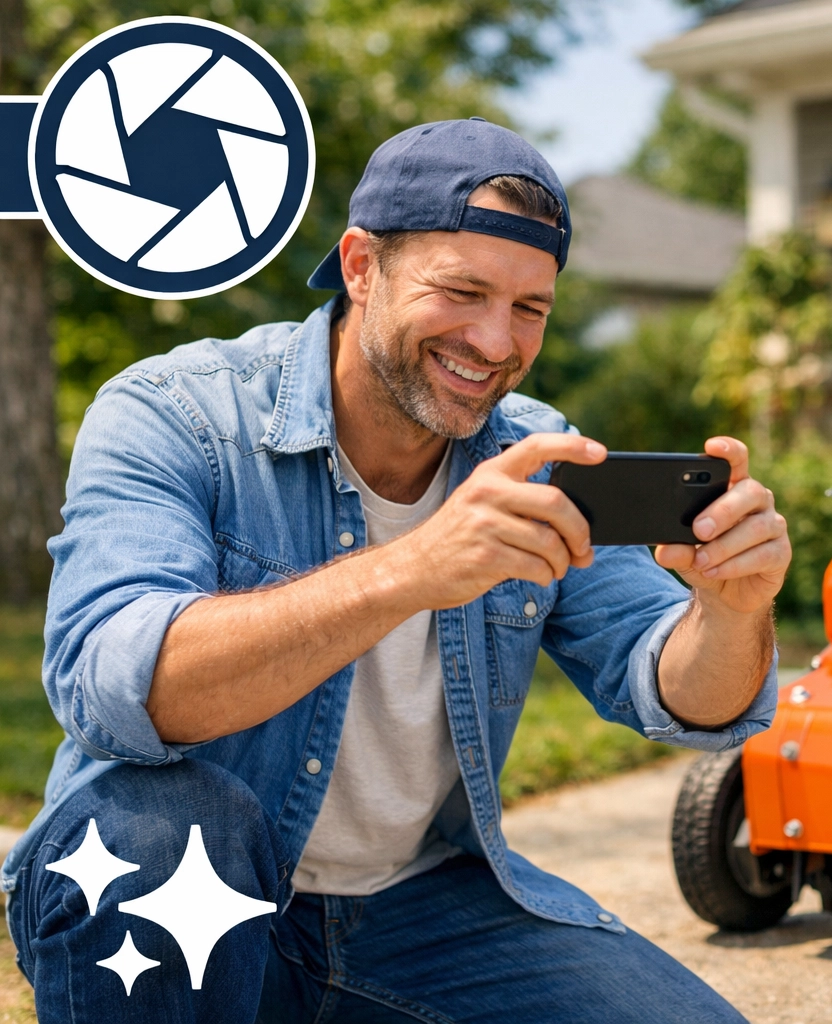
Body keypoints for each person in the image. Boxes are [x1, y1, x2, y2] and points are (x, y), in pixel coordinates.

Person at [3, 120, 789, 1024]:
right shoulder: (175, 414)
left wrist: (733, 610)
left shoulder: (534, 454)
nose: (496, 343)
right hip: (182, 894)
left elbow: (682, 692)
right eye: (462, 291)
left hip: (414, 911)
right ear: (361, 266)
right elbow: (114, 686)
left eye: (530, 308)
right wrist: (413, 567)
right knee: (159, 827)